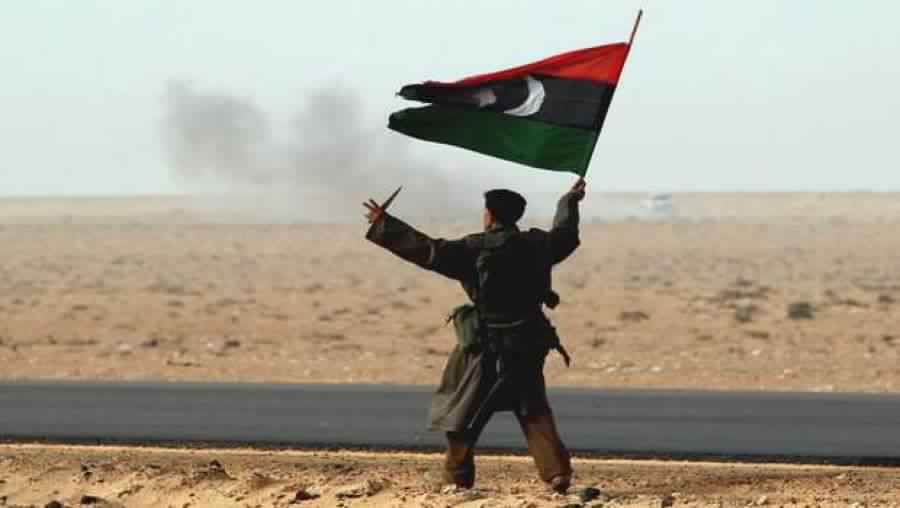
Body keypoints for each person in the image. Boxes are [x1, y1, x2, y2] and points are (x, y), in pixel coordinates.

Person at [363, 178, 586, 493]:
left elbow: (428, 251)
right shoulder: (539, 244)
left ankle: (457, 477)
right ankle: (557, 473)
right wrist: (569, 201)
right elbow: (566, 234)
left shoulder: (472, 248)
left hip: (485, 345)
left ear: (490, 215)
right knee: (533, 407)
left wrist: (384, 224)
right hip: (528, 341)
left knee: (464, 411)